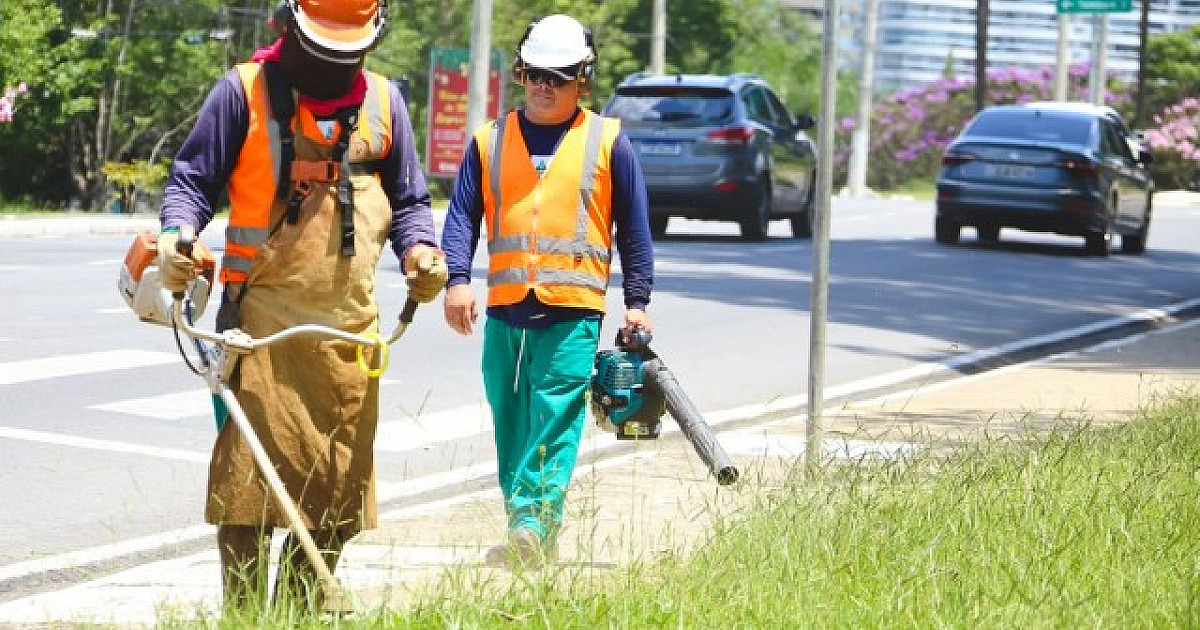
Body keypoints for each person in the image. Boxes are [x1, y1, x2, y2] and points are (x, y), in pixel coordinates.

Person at [156, 0, 448, 609]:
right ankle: (244, 617)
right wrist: (175, 236)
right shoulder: (242, 93)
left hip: (349, 334)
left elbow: (410, 202)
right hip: (257, 326)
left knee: (337, 498)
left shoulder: (385, 103)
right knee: (247, 495)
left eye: (348, 54)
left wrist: (422, 252)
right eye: (323, 51)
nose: (335, 67)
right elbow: (192, 182)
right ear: (285, 27)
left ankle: (297, 610)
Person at [440, 13, 655, 567]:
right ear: (521, 74)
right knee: (510, 418)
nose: (544, 86)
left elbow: (634, 228)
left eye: (557, 78)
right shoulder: (488, 140)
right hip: (507, 308)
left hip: (573, 311)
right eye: (535, 75)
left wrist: (636, 302)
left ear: (582, 78)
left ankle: (534, 521)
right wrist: (457, 280)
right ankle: (526, 523)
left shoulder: (609, 142)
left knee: (555, 416)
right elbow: (462, 217)